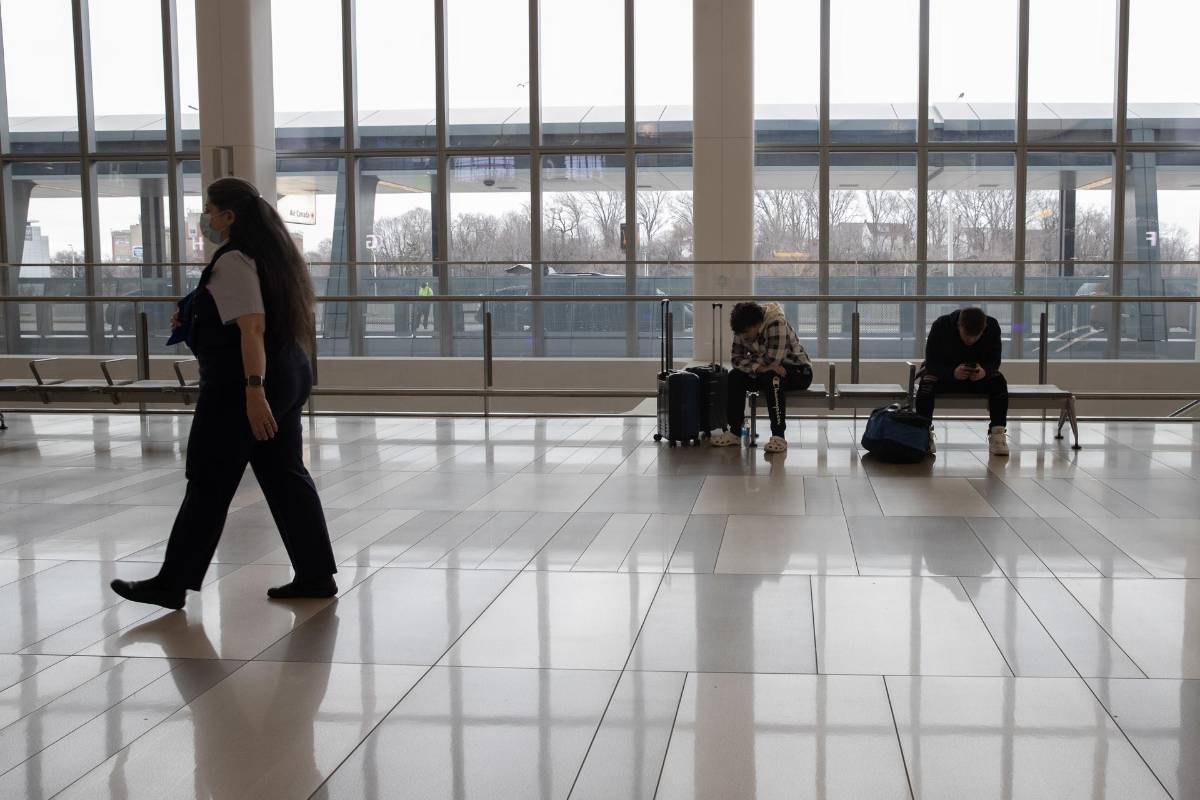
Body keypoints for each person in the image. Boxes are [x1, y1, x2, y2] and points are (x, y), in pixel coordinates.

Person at [111, 177, 338, 610]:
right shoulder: (273, 255)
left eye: (210, 211)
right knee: (285, 475)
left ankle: (171, 583)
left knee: (208, 481)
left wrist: (254, 392)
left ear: (228, 216)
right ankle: (315, 573)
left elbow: (251, 327)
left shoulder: (233, 260)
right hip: (289, 371)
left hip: (243, 385)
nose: (206, 219)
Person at [709, 302, 813, 453]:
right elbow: (736, 359)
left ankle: (779, 436)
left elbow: (773, 360)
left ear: (757, 324)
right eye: (741, 334)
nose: (743, 337)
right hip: (768, 371)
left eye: (746, 333)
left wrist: (757, 365)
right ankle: (735, 433)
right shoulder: (742, 327)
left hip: (798, 371)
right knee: (734, 376)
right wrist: (761, 367)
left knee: (773, 377)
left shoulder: (776, 323)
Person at [916, 306, 1009, 457]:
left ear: (984, 328)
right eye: (966, 336)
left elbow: (994, 361)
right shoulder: (941, 325)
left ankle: (997, 433)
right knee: (927, 382)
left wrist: (984, 371)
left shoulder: (992, 326)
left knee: (998, 381)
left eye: (975, 337)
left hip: (977, 377)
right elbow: (932, 363)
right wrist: (952, 373)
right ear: (959, 325)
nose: (970, 341)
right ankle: (922, 432)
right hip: (946, 376)